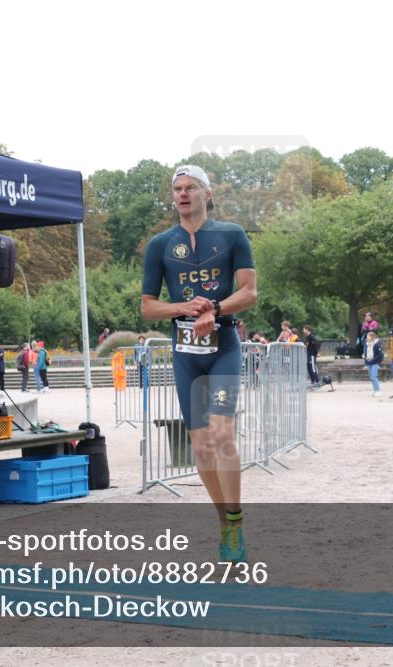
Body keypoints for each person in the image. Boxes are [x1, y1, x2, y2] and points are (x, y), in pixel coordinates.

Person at [141, 164, 257, 562]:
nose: (183, 194)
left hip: (223, 344)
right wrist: (184, 308)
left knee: (222, 433)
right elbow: (148, 307)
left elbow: (250, 291)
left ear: (207, 194)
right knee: (200, 445)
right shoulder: (160, 245)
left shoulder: (232, 235)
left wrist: (216, 311)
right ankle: (224, 522)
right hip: (185, 352)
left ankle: (237, 521)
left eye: (191, 187)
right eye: (177, 188)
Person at [363, 330, 384, 397]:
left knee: (373, 376)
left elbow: (381, 354)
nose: (367, 338)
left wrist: (375, 361)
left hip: (374, 363)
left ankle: (378, 391)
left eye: (368, 336)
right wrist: (366, 362)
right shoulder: (366, 344)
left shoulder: (376, 345)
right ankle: (375, 390)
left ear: (371, 337)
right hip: (369, 363)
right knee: (371, 377)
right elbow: (365, 354)